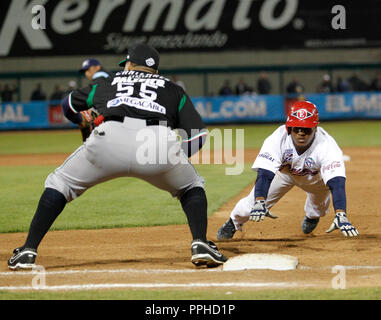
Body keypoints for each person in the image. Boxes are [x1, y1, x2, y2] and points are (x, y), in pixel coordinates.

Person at [7, 42, 227, 270]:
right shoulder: (173, 89)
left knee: (60, 183)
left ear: (130, 64)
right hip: (157, 144)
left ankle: (28, 251)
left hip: (109, 138)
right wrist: (177, 160)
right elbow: (198, 135)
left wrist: (82, 120)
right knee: (191, 186)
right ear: (157, 71)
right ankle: (200, 243)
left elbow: (67, 104)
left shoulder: (109, 81)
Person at [217, 100, 359, 241]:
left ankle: (311, 216)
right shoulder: (278, 139)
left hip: (316, 180)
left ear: (316, 128)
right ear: (288, 127)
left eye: (306, 129)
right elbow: (265, 173)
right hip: (284, 175)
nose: (301, 133)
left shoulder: (327, 146)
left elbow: (337, 182)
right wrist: (260, 200)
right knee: (252, 204)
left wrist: (341, 213)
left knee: (319, 210)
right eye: (296, 128)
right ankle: (232, 223)